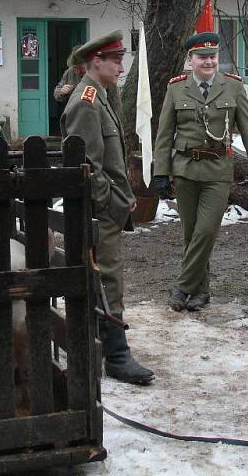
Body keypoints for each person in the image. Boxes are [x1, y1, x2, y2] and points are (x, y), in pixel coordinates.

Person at [60, 30, 154, 385]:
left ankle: (102, 346)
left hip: (105, 207)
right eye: (115, 60)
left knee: (103, 276)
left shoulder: (99, 95)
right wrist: (114, 202)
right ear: (95, 61)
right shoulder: (86, 101)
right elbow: (88, 167)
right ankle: (116, 356)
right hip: (99, 211)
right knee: (109, 277)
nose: (121, 66)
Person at [153, 32, 248, 312]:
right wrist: (161, 172)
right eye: (202, 57)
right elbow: (164, 134)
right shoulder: (175, 89)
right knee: (191, 234)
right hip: (185, 170)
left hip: (218, 172)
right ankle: (200, 292)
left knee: (206, 231)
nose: (208, 61)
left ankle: (182, 287)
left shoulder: (232, 87)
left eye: (213, 57)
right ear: (190, 60)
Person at [54, 46, 122, 117]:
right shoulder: (69, 73)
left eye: (81, 68)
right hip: (75, 116)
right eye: (75, 68)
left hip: (98, 117)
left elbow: (115, 102)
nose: (77, 71)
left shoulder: (102, 75)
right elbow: (57, 93)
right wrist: (62, 92)